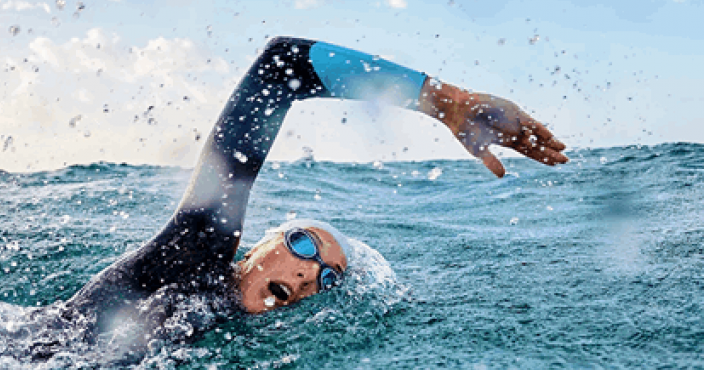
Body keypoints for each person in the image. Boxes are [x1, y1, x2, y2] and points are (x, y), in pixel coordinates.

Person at [60, 36, 567, 347]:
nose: (308, 273)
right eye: (302, 243)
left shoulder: (233, 342)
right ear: (248, 248)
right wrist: (446, 102)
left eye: (327, 279)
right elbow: (281, 66)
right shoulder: (193, 257)